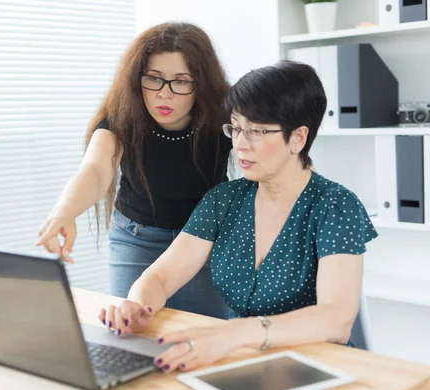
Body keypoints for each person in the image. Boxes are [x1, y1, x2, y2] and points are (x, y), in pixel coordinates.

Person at [98, 60, 378, 373]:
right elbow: (162, 276)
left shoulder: (335, 206)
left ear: (298, 138)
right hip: (245, 362)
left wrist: (233, 334)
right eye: (236, 128)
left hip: (320, 368)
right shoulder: (224, 200)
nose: (240, 145)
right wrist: (137, 304)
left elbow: (337, 319)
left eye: (256, 131)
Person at [35, 22, 234, 318]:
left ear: (201, 84)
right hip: (137, 239)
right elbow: (96, 169)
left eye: (181, 82)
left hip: (204, 243)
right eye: (153, 79)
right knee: (132, 330)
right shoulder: (122, 114)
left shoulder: (225, 114)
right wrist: (64, 212)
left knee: (205, 333)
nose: (164, 94)